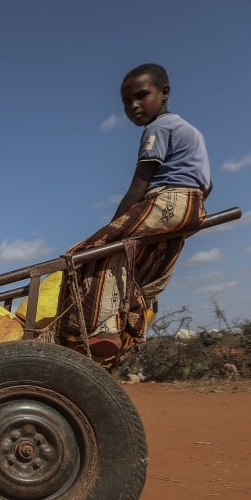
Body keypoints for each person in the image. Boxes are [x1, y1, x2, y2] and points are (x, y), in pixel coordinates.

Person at [57, 63, 211, 363]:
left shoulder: (158, 128)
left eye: (141, 96)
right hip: (194, 206)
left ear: (164, 93)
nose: (133, 106)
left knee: (91, 251)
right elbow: (208, 184)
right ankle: (125, 329)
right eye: (127, 101)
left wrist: (114, 225)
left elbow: (139, 184)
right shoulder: (190, 130)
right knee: (138, 266)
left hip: (167, 200)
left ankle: (102, 329)